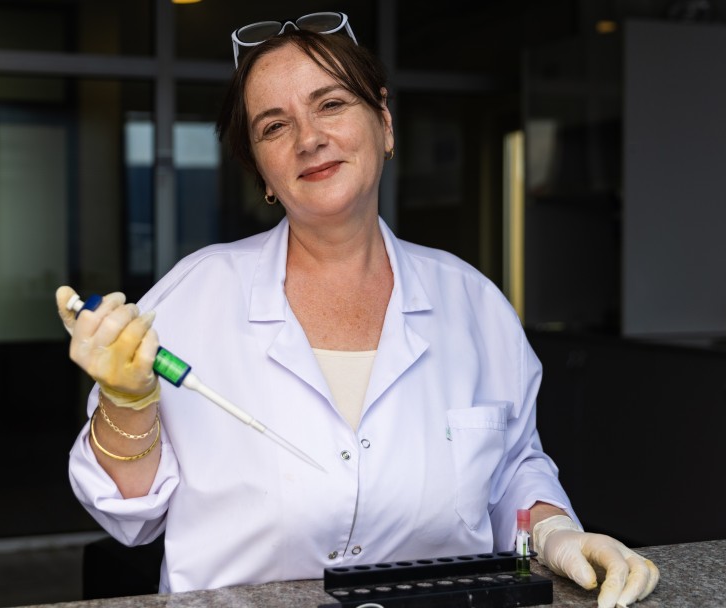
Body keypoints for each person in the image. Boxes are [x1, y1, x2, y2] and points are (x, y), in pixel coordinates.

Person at [57, 12, 658, 607]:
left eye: (331, 104)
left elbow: (513, 470)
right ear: (262, 173)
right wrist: (126, 402)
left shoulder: (472, 302)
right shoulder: (195, 296)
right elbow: (128, 517)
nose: (308, 138)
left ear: (385, 123)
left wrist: (556, 534)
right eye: (273, 126)